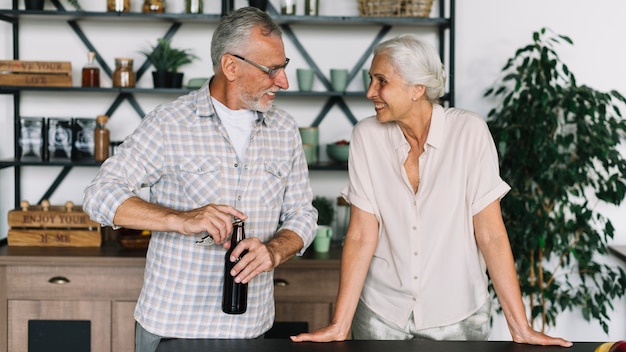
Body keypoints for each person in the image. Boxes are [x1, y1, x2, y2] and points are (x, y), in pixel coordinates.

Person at [291, 35, 572, 347]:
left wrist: (521, 328)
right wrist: (339, 325)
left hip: (458, 316)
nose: (371, 92)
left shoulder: (469, 132)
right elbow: (360, 234)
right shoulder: (366, 136)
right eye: (371, 79)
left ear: (417, 88)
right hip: (381, 315)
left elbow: (490, 233)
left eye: (381, 80)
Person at [83, 7, 317, 352]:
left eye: (284, 67)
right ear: (231, 66)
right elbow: (99, 196)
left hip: (250, 328)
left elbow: (303, 215)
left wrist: (274, 251)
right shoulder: (169, 123)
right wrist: (180, 218)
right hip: (172, 328)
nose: (283, 81)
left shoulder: (284, 129)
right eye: (272, 70)